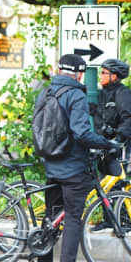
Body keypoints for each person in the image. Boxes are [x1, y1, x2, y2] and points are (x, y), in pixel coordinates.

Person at [36, 54, 120, 262]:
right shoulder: (76, 95)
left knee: (51, 216)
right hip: (73, 169)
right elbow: (81, 133)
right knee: (73, 219)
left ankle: (43, 259)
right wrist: (106, 143)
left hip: (51, 165)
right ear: (80, 74)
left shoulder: (45, 92)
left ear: (59, 70)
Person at [89, 58, 131, 231]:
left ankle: (124, 221)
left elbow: (128, 118)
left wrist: (118, 139)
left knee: (116, 183)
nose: (100, 76)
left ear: (114, 76)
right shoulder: (102, 93)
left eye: (104, 73)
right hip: (104, 145)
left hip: (119, 146)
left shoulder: (122, 93)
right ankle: (108, 220)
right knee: (103, 182)